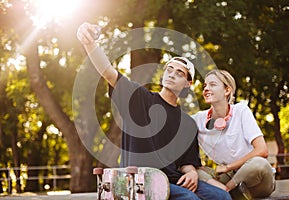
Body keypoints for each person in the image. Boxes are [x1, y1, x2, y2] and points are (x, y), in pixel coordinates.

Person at [77, 22, 232, 200]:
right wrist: (89, 43)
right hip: (141, 181)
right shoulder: (139, 99)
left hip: (173, 182)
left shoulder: (188, 124)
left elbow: (186, 163)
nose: (172, 74)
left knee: (222, 197)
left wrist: (192, 173)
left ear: (188, 84)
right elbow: (109, 73)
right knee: (190, 199)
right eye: (169, 70)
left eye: (180, 73)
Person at [192, 69, 276, 199]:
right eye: (205, 86)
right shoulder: (197, 119)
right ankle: (229, 191)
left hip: (256, 180)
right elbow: (175, 125)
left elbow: (262, 150)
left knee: (260, 164)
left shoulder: (241, 110)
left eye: (212, 85)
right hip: (229, 177)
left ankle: (225, 190)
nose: (206, 89)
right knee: (192, 171)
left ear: (227, 91)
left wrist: (228, 167)